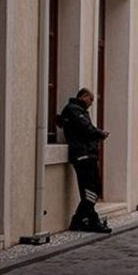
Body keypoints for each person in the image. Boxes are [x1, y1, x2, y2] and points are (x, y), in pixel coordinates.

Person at [56, 88, 111, 233]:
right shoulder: (74, 110)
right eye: (91, 99)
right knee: (89, 189)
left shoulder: (79, 111)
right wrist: (100, 133)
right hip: (82, 155)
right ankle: (90, 221)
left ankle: (80, 220)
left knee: (94, 189)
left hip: (88, 154)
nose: (92, 103)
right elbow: (85, 129)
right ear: (83, 96)